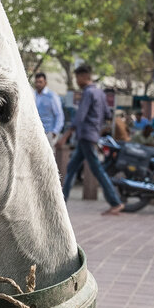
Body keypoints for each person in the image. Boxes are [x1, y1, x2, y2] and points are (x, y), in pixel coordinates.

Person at [61, 64, 125, 215]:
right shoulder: (100, 93)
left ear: (84, 76)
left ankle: (115, 202)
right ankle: (61, 202)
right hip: (91, 135)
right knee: (71, 168)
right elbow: (108, 115)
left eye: (77, 77)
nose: (77, 81)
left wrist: (65, 136)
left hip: (86, 136)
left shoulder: (88, 93)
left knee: (97, 170)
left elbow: (80, 116)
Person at [32, 72, 64, 146]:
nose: (38, 84)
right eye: (36, 82)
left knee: (49, 156)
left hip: (49, 132)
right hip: (36, 132)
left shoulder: (52, 96)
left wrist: (55, 131)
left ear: (45, 83)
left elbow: (59, 114)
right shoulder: (33, 95)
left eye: (40, 82)